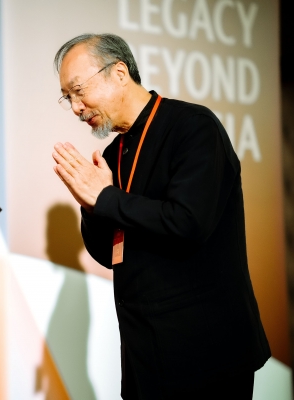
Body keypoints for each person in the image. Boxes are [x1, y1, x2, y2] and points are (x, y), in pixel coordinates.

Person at [51, 34, 270, 400]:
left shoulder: (193, 126)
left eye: (78, 90)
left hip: (207, 358)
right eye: (67, 98)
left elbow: (188, 222)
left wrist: (105, 198)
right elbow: (109, 254)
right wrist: (91, 208)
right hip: (146, 363)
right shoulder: (112, 154)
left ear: (119, 73)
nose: (75, 107)